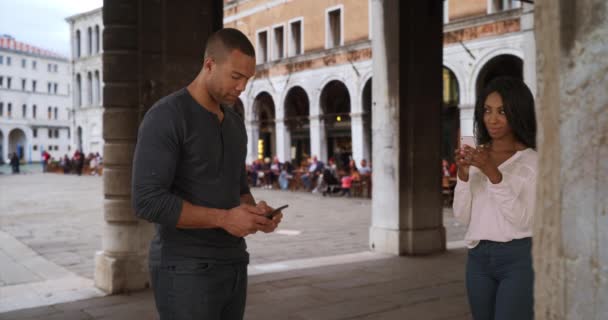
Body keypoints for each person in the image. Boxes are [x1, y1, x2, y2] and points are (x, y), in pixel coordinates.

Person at [131, 28, 283, 320]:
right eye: (236, 77)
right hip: (185, 268)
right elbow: (147, 201)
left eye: (247, 80)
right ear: (209, 65)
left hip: (234, 262)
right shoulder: (166, 116)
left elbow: (238, 188)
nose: (241, 88)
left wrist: (255, 213)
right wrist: (225, 219)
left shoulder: (235, 123)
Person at [452, 77, 537, 320]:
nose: (493, 119)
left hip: (518, 259)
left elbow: (522, 220)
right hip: (478, 259)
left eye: (502, 111)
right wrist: (464, 175)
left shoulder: (533, 162)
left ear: (517, 112)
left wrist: (493, 173)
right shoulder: (477, 156)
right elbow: (461, 215)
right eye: (487, 110)